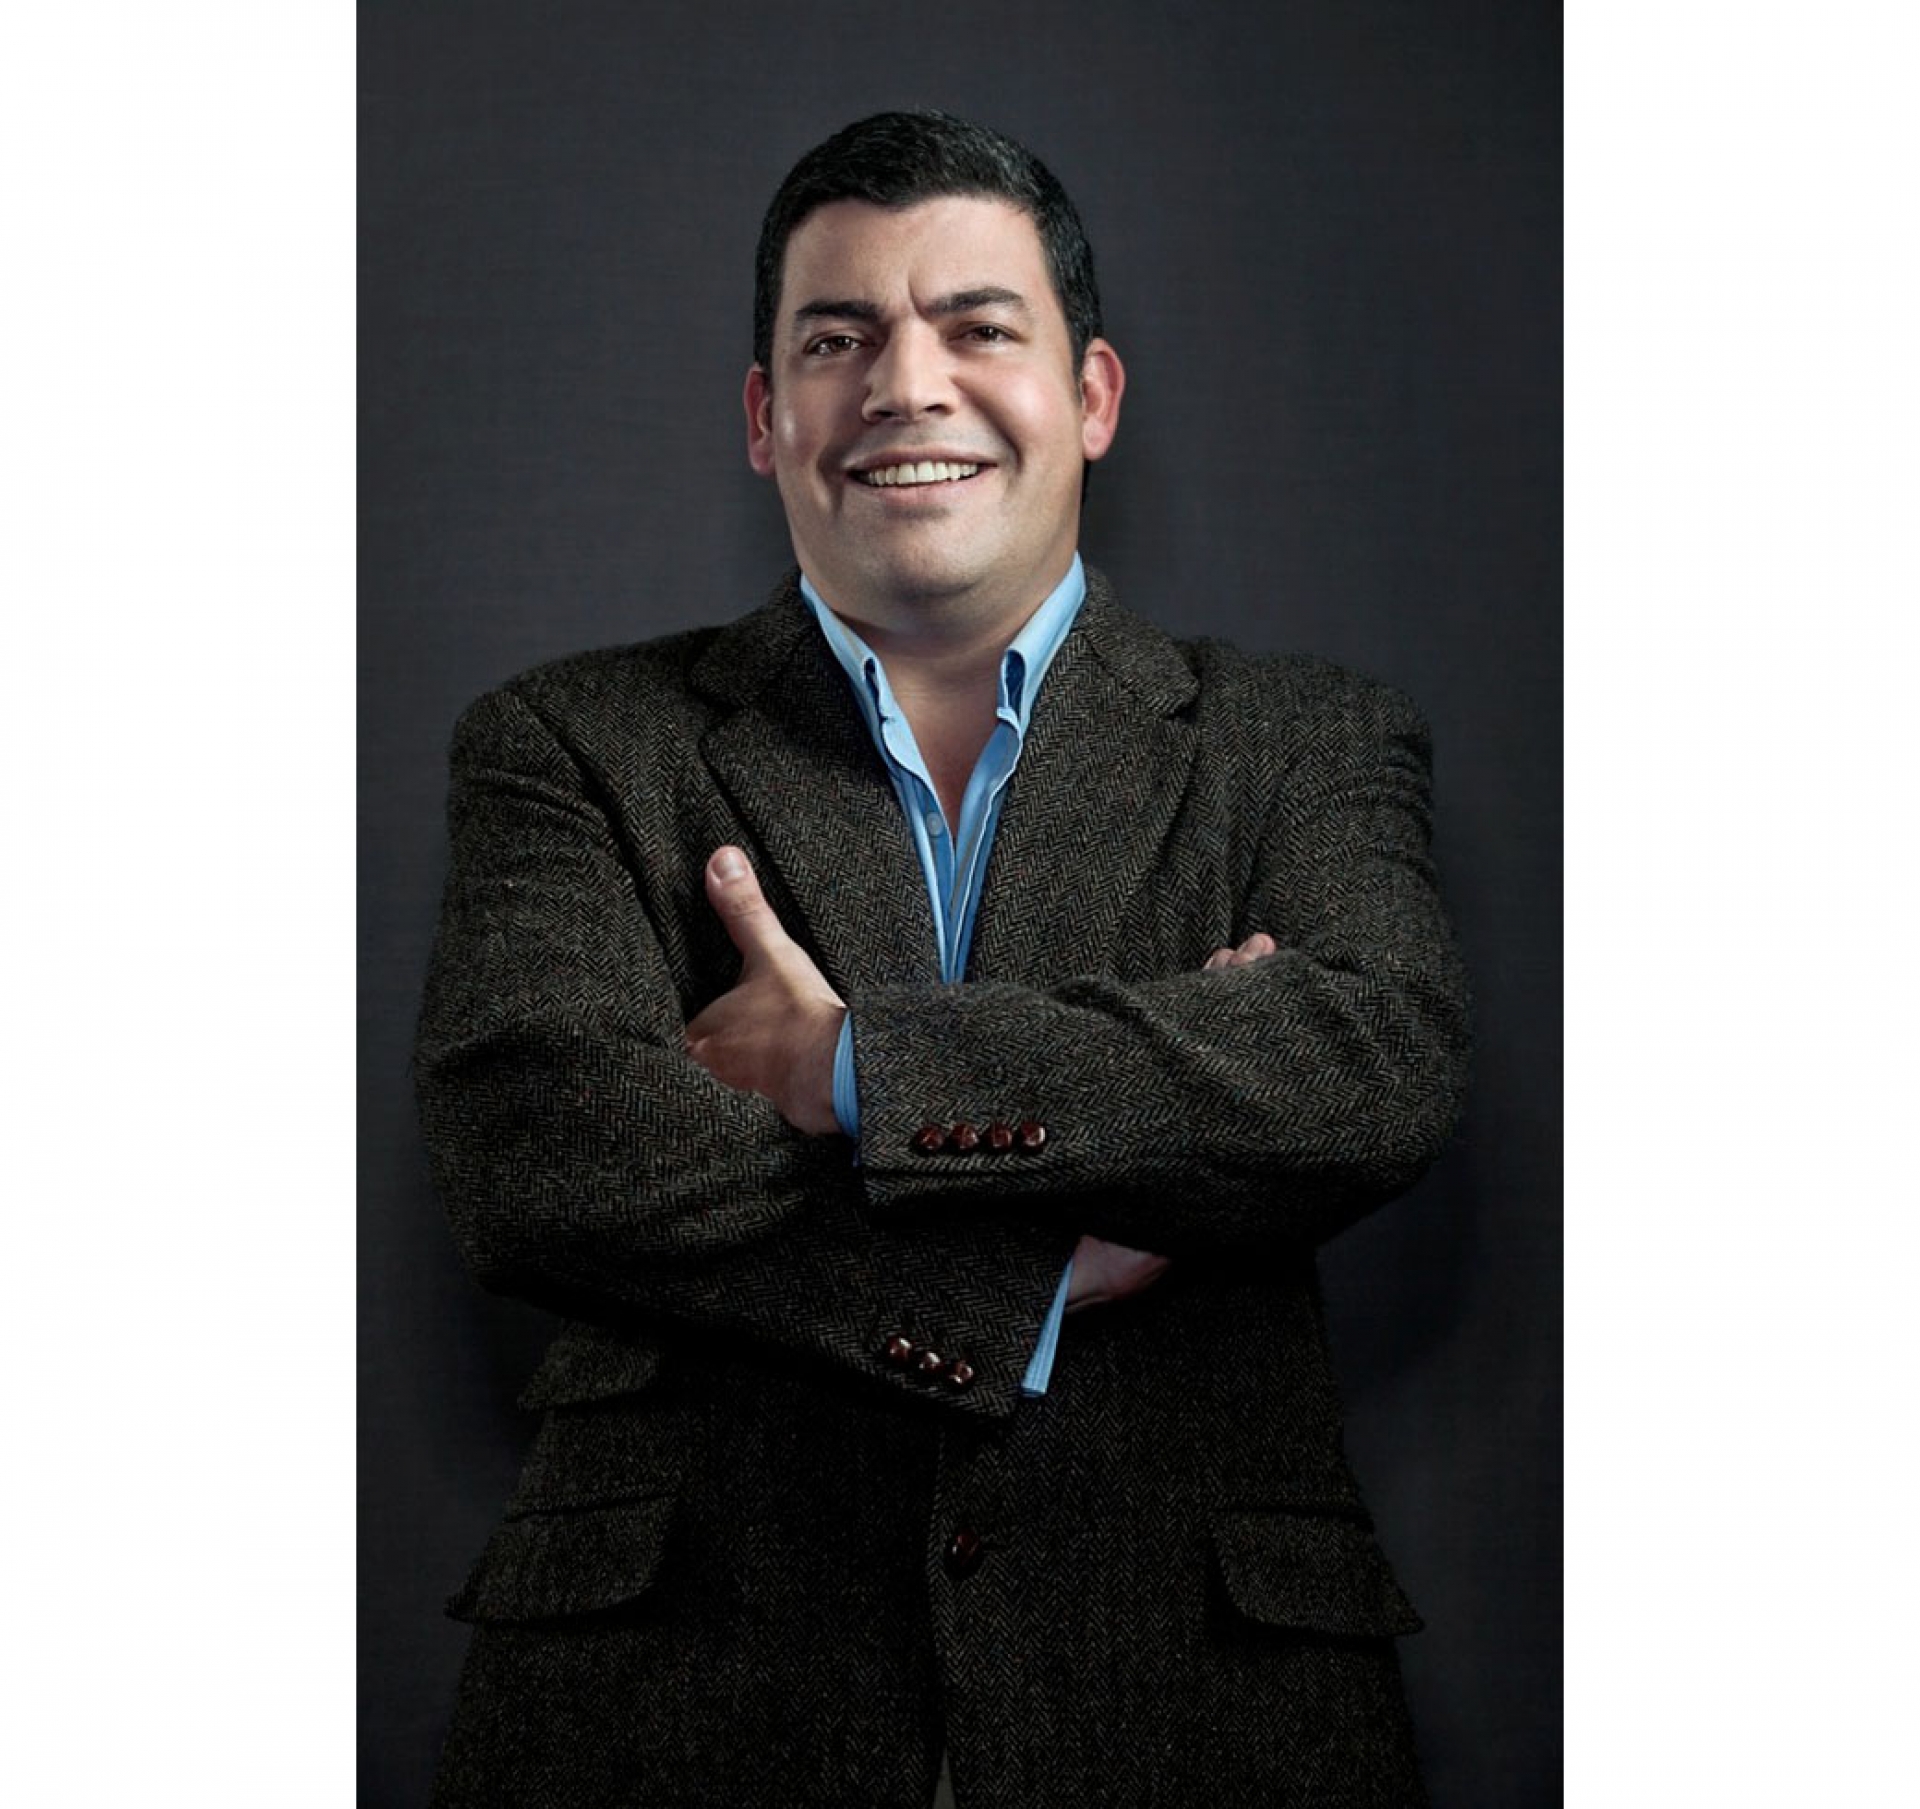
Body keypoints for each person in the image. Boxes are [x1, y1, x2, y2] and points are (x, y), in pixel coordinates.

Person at [415, 108, 1470, 1809]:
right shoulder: (567, 741)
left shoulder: (1304, 742)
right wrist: (1029, 1278)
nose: (907, 387)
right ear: (764, 417)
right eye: (838, 341)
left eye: (978, 327)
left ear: (1093, 396)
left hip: (1203, 1709)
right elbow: (538, 1147)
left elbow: (1364, 1068)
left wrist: (847, 1068)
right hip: (672, 1711)